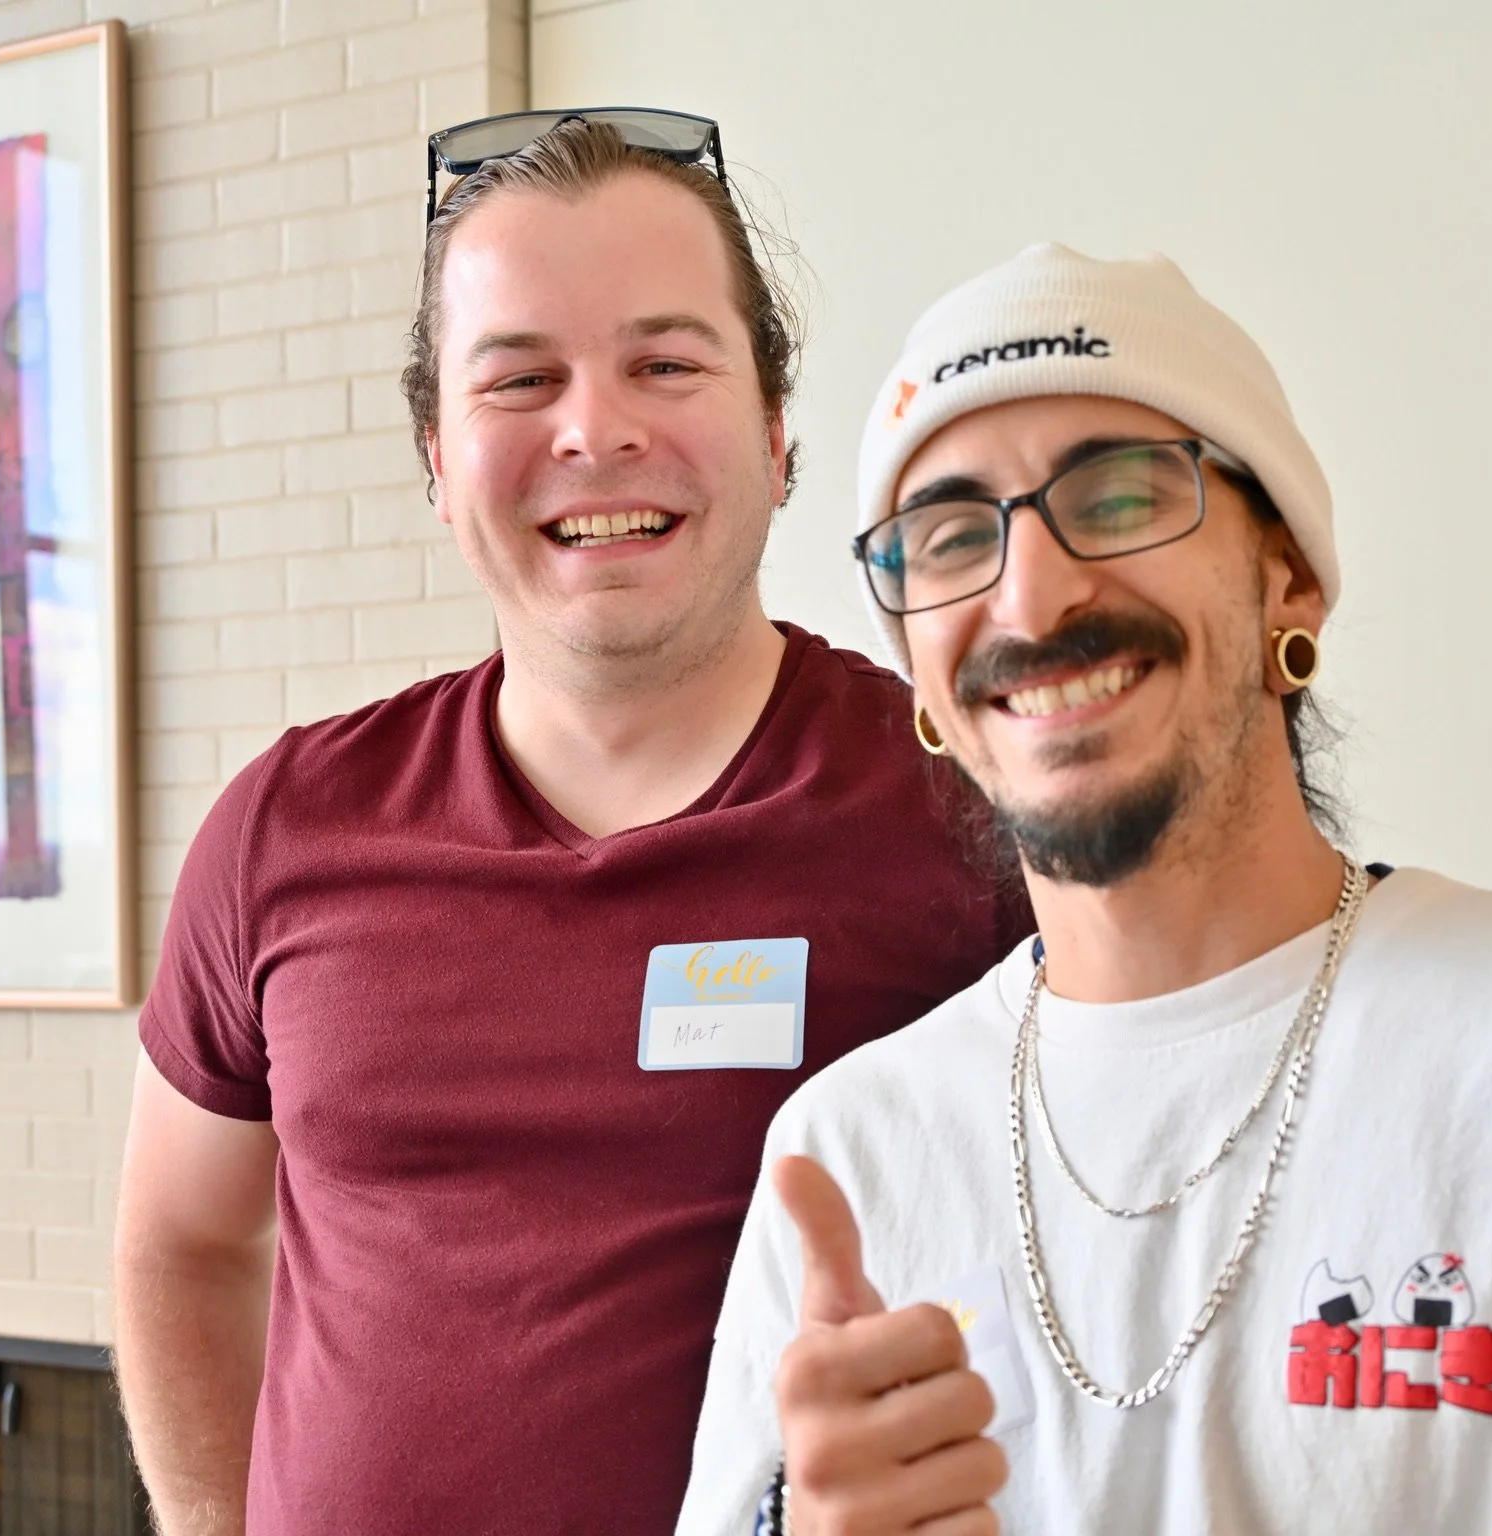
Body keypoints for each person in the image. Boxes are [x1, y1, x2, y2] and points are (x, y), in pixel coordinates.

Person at [677, 243, 1492, 1534]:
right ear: (919, 672)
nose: (1033, 595)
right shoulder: (849, 1161)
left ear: (1287, 574)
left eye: (1120, 497)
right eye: (953, 537)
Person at [111, 113, 1026, 1536]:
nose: (596, 430)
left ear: (777, 432)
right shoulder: (283, 827)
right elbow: (181, 1241)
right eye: (521, 379)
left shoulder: (966, 810)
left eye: (666, 364)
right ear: (436, 458)